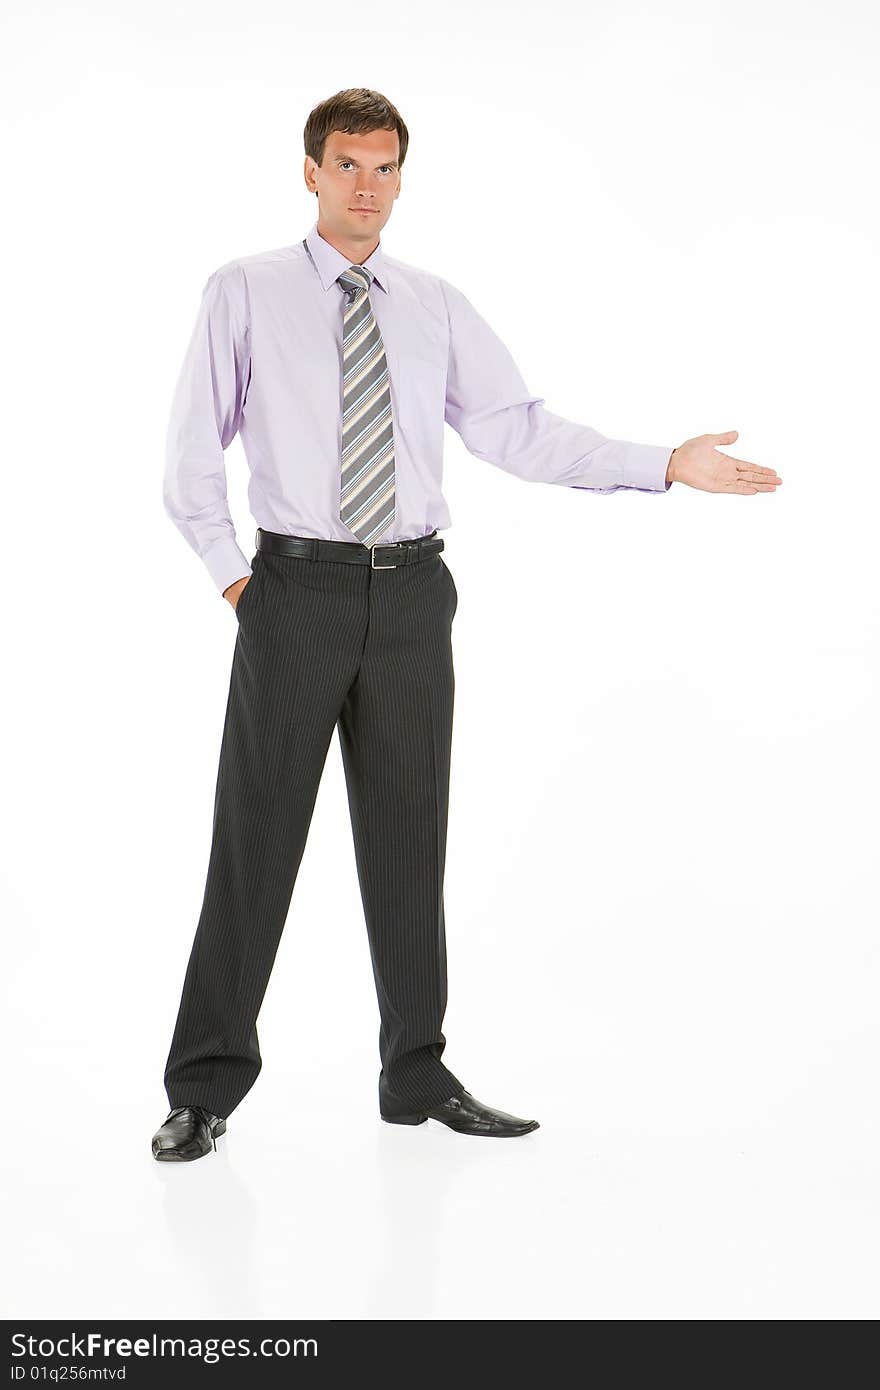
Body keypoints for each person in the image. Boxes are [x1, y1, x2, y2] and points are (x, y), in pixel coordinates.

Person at [152, 87, 782, 1162]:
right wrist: (237, 585)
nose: (367, 186)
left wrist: (659, 464)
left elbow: (517, 431)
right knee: (256, 842)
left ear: (403, 176)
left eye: (385, 167)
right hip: (292, 593)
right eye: (347, 164)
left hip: (410, 595)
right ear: (310, 172)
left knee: (409, 837)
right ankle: (204, 1087)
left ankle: (415, 1072)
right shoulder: (245, 290)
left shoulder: (433, 302)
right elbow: (188, 459)